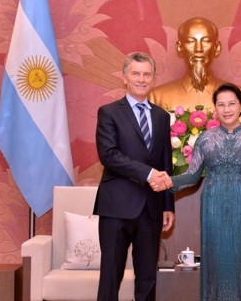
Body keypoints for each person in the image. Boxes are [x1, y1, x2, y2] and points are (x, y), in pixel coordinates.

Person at [150, 83, 241, 301]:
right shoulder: (205, 139)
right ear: (215, 108)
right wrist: (168, 182)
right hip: (213, 208)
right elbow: (193, 175)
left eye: (232, 104)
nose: (227, 109)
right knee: (215, 260)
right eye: (221, 104)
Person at [94, 52, 175, 301]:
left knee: (148, 278)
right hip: (116, 207)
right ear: (125, 78)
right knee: (111, 276)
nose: (141, 79)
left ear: (152, 79)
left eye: (147, 74)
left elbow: (165, 162)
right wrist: (148, 173)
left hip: (150, 209)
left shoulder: (162, 116)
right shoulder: (108, 112)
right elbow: (109, 155)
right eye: (136, 73)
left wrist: (168, 206)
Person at [148, 17, 241, 110]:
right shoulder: (156, 97)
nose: (198, 49)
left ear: (217, 48)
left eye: (206, 41)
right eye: (190, 41)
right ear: (179, 48)